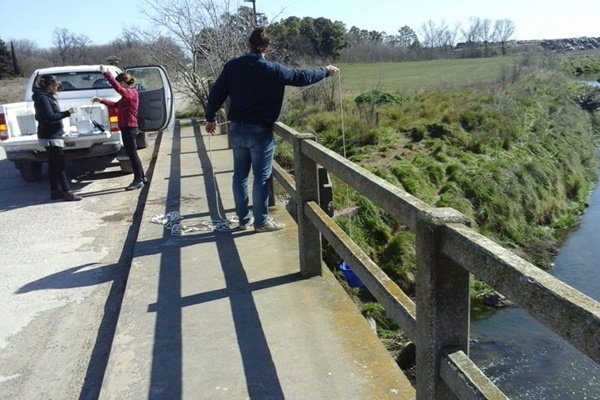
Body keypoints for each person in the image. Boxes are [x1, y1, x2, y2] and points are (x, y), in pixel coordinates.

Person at [204, 27, 339, 232]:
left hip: (237, 130)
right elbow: (301, 77)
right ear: (267, 47)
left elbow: (217, 93)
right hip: (260, 131)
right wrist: (325, 71)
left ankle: (243, 220)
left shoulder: (232, 66)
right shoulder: (274, 69)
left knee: (239, 175)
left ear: (248, 45)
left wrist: (210, 117)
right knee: (261, 177)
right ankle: (261, 222)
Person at [92, 66, 146, 190]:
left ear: (122, 82)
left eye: (119, 83)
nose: (119, 86)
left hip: (129, 127)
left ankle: (138, 180)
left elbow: (117, 88)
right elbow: (116, 105)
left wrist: (105, 73)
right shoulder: (128, 95)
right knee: (133, 154)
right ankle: (142, 177)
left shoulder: (130, 92)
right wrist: (101, 100)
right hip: (127, 127)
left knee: (132, 154)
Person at [32, 74, 82, 201]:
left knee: (53, 165)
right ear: (49, 86)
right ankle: (67, 192)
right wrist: (67, 113)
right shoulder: (43, 98)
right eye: (55, 86)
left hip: (49, 134)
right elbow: (50, 116)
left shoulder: (44, 97)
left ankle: (54, 191)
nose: (56, 88)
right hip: (51, 136)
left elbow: (40, 116)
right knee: (60, 165)